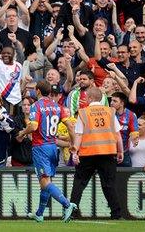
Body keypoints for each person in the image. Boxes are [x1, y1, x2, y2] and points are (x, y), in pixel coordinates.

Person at [18, 80, 77, 223]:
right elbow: (70, 125)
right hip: (53, 148)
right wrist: (73, 144)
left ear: (37, 91)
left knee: (44, 182)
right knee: (45, 181)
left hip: (40, 147)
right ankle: (39, 213)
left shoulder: (36, 106)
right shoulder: (57, 106)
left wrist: (22, 133)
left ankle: (67, 205)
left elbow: (33, 126)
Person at [70, 87, 123, 220]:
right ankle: (116, 214)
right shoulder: (110, 111)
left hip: (88, 154)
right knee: (109, 184)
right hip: (107, 153)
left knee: (79, 183)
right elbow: (118, 135)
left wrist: (75, 151)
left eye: (86, 97)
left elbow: (79, 135)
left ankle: (72, 213)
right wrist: (120, 151)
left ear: (90, 98)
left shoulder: (83, 113)